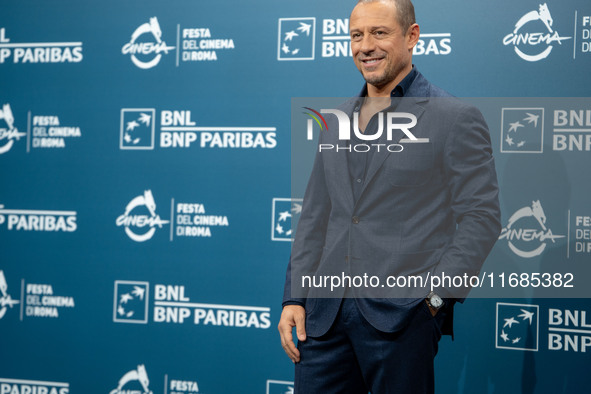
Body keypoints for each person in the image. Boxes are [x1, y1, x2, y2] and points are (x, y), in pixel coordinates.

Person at [278, 0, 501, 392]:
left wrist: (434, 302)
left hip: (402, 320)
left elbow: (481, 218)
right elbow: (315, 217)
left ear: (411, 36)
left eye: (379, 33)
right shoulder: (334, 121)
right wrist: (294, 298)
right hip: (323, 320)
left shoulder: (453, 118)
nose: (366, 46)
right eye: (356, 35)